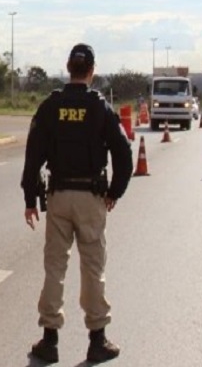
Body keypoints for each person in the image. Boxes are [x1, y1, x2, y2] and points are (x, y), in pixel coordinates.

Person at [21, 44, 132, 364]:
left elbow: (33, 157)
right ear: (92, 71)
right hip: (91, 196)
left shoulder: (50, 106)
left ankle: (50, 340)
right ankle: (97, 340)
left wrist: (31, 199)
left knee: (55, 266)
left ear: (68, 68)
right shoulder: (100, 108)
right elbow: (123, 155)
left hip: (58, 197)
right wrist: (114, 192)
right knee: (92, 267)